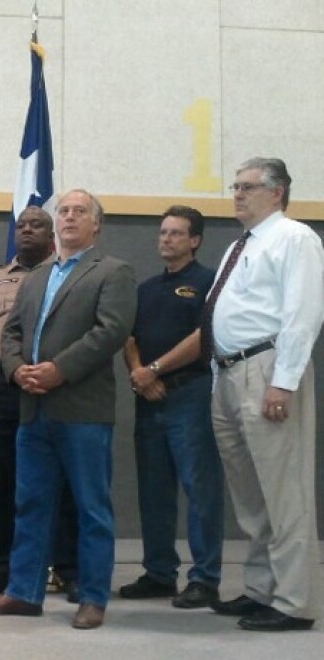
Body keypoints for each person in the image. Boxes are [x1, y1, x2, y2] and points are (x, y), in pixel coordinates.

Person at [161, 159, 323, 631]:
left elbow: (303, 314)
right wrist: (218, 371)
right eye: (235, 186)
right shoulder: (240, 245)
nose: (237, 194)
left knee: (284, 492)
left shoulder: (295, 238)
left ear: (277, 193)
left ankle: (294, 603)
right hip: (229, 373)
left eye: (248, 187)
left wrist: (284, 381)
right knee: (251, 496)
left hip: (268, 368)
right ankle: (261, 589)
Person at [0, 189, 136, 630]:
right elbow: (10, 333)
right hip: (32, 407)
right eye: (63, 211)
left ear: (96, 224)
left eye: (79, 211)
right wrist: (16, 370)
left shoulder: (114, 272)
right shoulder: (36, 276)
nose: (68, 217)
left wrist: (59, 370)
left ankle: (93, 597)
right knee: (30, 503)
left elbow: (111, 331)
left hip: (82, 408)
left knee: (90, 507)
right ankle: (24, 592)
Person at [0, 206, 79, 600]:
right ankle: (3, 566)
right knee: (3, 480)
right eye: (22, 225)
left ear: (52, 234)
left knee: (61, 478)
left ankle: (66, 568)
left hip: (53, 385)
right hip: (0, 388)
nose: (27, 230)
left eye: (37, 225)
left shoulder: (66, 275)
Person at [118, 206, 224, 608]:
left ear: (194, 240)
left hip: (190, 394)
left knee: (201, 488)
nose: (166, 239)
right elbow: (128, 338)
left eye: (176, 234)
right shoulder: (145, 288)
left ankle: (205, 579)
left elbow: (205, 335)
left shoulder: (209, 282)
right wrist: (139, 374)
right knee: (154, 490)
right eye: (163, 233)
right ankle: (159, 573)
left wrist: (156, 370)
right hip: (148, 398)